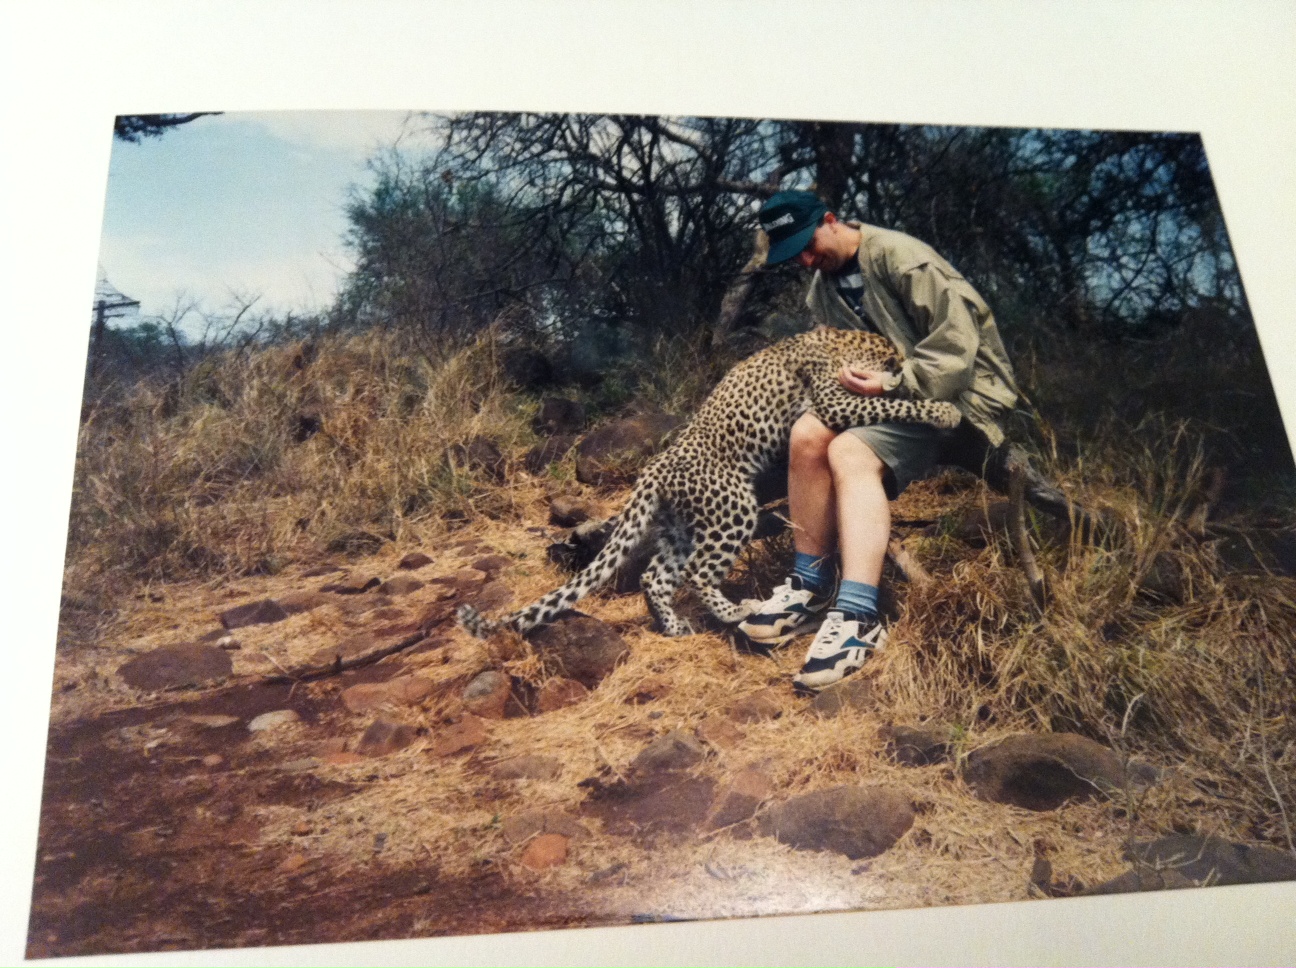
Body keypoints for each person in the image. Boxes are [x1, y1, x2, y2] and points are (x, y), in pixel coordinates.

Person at [738, 190, 1020, 691]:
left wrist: (889, 384)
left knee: (849, 451)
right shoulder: (821, 290)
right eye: (794, 255)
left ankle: (858, 613)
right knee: (806, 433)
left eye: (808, 244)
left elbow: (957, 352)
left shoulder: (901, 258)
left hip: (958, 396)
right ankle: (810, 584)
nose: (806, 260)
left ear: (830, 220)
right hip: (893, 396)